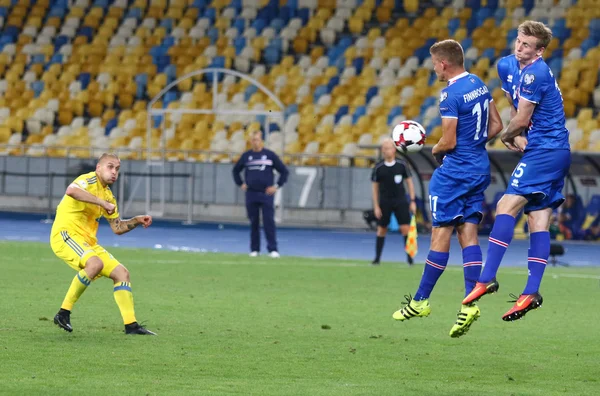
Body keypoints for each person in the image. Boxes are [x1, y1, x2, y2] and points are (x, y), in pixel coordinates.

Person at [392, 39, 503, 338]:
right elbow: (496, 126)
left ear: (443, 63)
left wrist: (433, 148)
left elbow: (450, 141)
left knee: (440, 233)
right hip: (479, 167)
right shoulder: (478, 83)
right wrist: (474, 146)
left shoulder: (449, 94)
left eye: (433, 64)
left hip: (454, 173)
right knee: (467, 232)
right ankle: (469, 303)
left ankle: (420, 300)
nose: (433, 68)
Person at [462, 21, 571, 321]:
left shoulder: (537, 73)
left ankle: (486, 278)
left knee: (505, 204)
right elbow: (514, 106)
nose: (519, 47)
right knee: (538, 218)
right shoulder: (507, 65)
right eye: (519, 41)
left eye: (527, 45)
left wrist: (508, 136)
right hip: (544, 148)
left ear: (540, 51)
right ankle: (530, 292)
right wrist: (518, 135)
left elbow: (522, 119)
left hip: (548, 149)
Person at [51, 153, 156, 335]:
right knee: (95, 264)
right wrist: (101, 202)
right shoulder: (89, 180)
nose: (114, 172)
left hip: (87, 241)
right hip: (65, 234)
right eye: (110, 166)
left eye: (117, 169)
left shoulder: (108, 195)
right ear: (98, 168)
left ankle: (131, 325)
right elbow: (71, 190)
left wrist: (137, 220)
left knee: (122, 273)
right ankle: (63, 313)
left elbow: (118, 227)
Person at [233, 130, 289, 257]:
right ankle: (255, 249)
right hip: (251, 193)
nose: (255, 142)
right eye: (253, 140)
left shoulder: (270, 155)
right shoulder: (246, 156)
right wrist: (240, 183)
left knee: (269, 221)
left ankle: (273, 249)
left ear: (261, 141)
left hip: (266, 194)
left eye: (257, 139)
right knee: (254, 222)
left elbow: (284, 171)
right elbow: (235, 171)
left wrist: (277, 186)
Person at [371, 138, 416, 265]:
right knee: (381, 229)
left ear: (394, 149)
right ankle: (377, 258)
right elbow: (375, 188)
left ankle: (409, 258)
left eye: (389, 148)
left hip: (400, 201)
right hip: (385, 202)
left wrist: (412, 200)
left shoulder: (402, 165)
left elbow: (410, 184)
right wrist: (376, 206)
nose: (387, 151)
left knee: (405, 228)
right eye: (384, 148)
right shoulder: (378, 167)